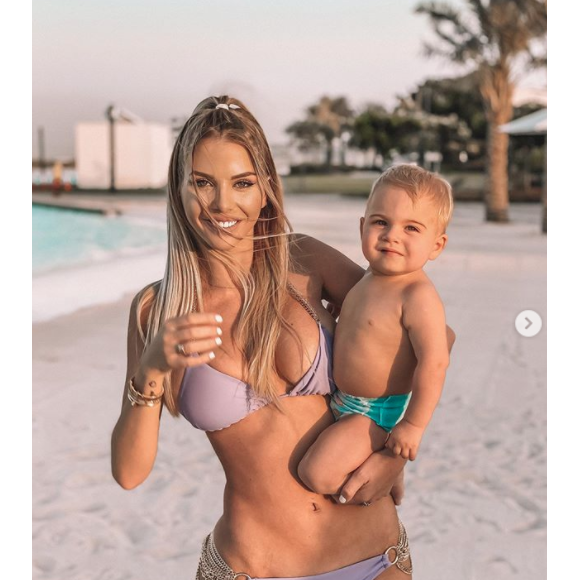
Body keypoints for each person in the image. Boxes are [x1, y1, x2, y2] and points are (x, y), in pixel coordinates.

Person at [112, 98, 453, 579]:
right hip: (251, 566)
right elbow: (129, 473)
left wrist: (391, 449)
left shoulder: (304, 261)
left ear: (267, 188)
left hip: (376, 560)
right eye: (202, 182)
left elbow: (433, 341)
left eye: (243, 183)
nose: (223, 205)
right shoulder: (157, 311)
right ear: (179, 189)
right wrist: (149, 371)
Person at [298, 165, 452, 503]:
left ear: (436, 245)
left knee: (316, 474)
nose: (392, 235)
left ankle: (379, 481)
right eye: (381, 222)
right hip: (341, 398)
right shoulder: (369, 277)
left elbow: (434, 363)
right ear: (362, 227)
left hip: (373, 413)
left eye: (412, 228)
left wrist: (412, 426)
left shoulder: (417, 295)